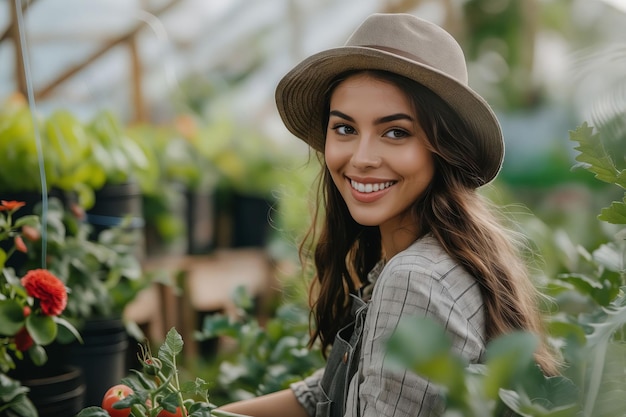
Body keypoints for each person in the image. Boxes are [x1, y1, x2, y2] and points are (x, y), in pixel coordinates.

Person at [218, 12, 560, 417]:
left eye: (395, 132)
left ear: (442, 147)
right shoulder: (434, 254)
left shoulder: (413, 278)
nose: (361, 159)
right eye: (344, 128)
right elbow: (323, 395)